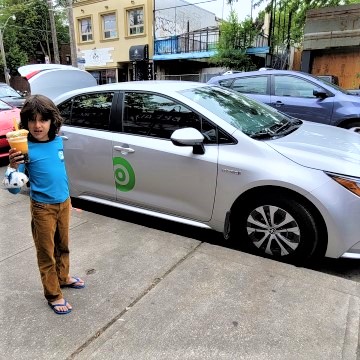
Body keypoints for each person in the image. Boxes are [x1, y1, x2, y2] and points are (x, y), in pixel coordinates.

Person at [8, 94, 85, 315]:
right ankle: (53, 294)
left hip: (63, 202)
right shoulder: (24, 148)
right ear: (25, 122)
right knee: (46, 253)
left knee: (64, 246)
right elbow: (14, 189)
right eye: (32, 120)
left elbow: (59, 174)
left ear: (52, 121)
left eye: (43, 119)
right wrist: (13, 165)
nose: (37, 125)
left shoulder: (58, 141)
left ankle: (63, 277)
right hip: (43, 209)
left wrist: (67, 200)